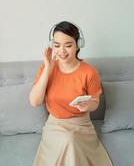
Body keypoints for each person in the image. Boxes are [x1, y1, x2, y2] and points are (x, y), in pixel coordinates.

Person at [29, 21, 113, 166]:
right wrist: (48, 68)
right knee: (68, 140)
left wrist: (88, 106)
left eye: (68, 45)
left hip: (82, 125)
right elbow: (34, 101)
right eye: (56, 45)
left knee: (71, 141)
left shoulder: (89, 71)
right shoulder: (46, 68)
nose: (62, 51)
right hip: (55, 125)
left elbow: (95, 103)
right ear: (52, 46)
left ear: (78, 45)